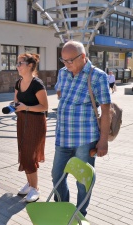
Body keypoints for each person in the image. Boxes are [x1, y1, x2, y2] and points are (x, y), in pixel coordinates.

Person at [52, 40, 111, 216]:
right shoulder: (63, 73)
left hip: (85, 140)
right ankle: (63, 209)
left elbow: (106, 112)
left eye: (70, 60)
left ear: (83, 57)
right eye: (63, 60)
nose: (66, 64)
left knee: (83, 180)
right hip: (62, 138)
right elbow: (60, 92)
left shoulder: (98, 76)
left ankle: (79, 213)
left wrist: (103, 142)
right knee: (57, 177)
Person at [13, 53, 48, 202]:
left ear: (30, 66)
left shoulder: (37, 84)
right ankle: (29, 184)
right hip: (22, 121)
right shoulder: (18, 83)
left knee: (30, 155)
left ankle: (35, 188)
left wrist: (26, 107)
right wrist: (13, 107)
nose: (18, 66)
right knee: (23, 152)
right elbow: (16, 101)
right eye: (18, 63)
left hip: (36, 123)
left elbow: (44, 107)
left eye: (21, 63)